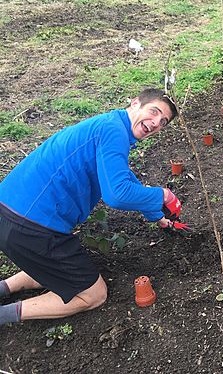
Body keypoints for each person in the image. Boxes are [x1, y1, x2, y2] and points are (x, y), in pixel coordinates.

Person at [0, 89, 189, 326]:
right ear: (135, 103)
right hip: (30, 227)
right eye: (154, 112)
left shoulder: (108, 125)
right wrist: (163, 194)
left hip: (9, 212)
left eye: (163, 122)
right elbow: (117, 194)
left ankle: (3, 288)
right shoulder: (113, 132)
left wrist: (157, 215)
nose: (155, 124)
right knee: (94, 295)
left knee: (51, 267)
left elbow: (123, 178)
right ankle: (4, 315)